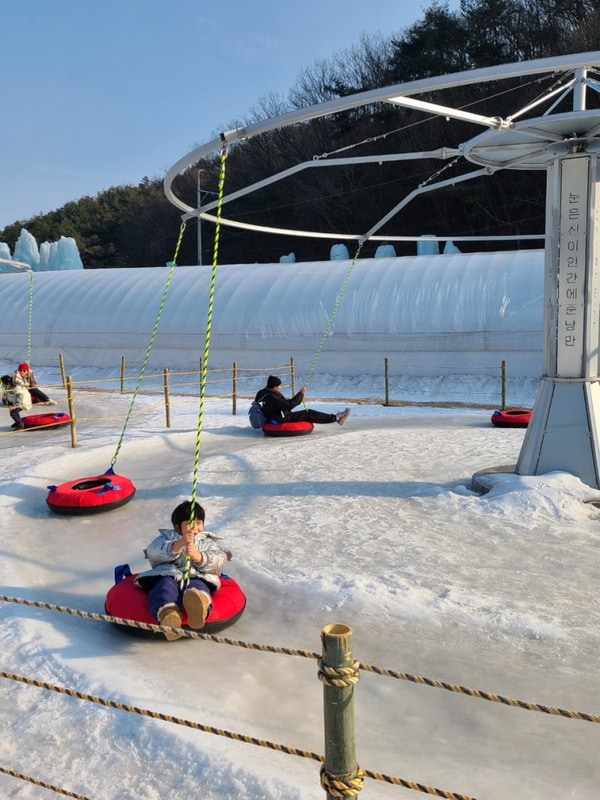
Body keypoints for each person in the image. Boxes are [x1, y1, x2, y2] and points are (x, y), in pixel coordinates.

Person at [134, 500, 229, 641]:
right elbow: (153, 553)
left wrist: (200, 557)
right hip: (169, 573)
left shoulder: (207, 542)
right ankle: (168, 614)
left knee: (198, 586)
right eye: (190, 524)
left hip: (197, 575)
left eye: (199, 523)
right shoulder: (166, 538)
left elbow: (219, 561)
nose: (195, 528)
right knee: (164, 587)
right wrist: (176, 546)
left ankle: (199, 606)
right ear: (178, 527)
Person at [255, 375, 351, 426]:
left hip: (274, 416)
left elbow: (280, 404)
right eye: (279, 386)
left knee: (307, 413)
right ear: (275, 387)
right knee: (309, 413)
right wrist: (301, 394)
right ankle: (337, 418)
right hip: (281, 418)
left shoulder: (263, 393)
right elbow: (290, 405)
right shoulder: (272, 397)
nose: (280, 387)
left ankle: (336, 418)